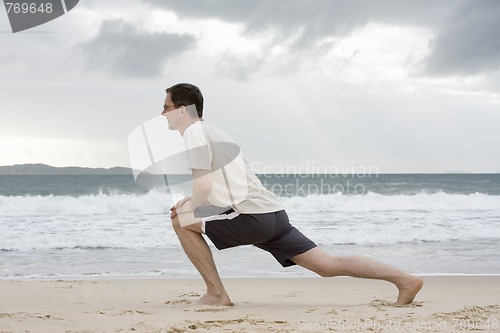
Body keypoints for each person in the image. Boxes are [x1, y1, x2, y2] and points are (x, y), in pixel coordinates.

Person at [162, 83, 423, 306]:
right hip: (273, 214)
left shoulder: (194, 132)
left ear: (182, 110)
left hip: (251, 217)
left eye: (167, 107)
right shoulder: (216, 131)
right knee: (327, 265)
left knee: (180, 221)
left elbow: (205, 185)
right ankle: (406, 280)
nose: (163, 113)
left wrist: (190, 208)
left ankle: (217, 295)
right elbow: (227, 184)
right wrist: (194, 201)